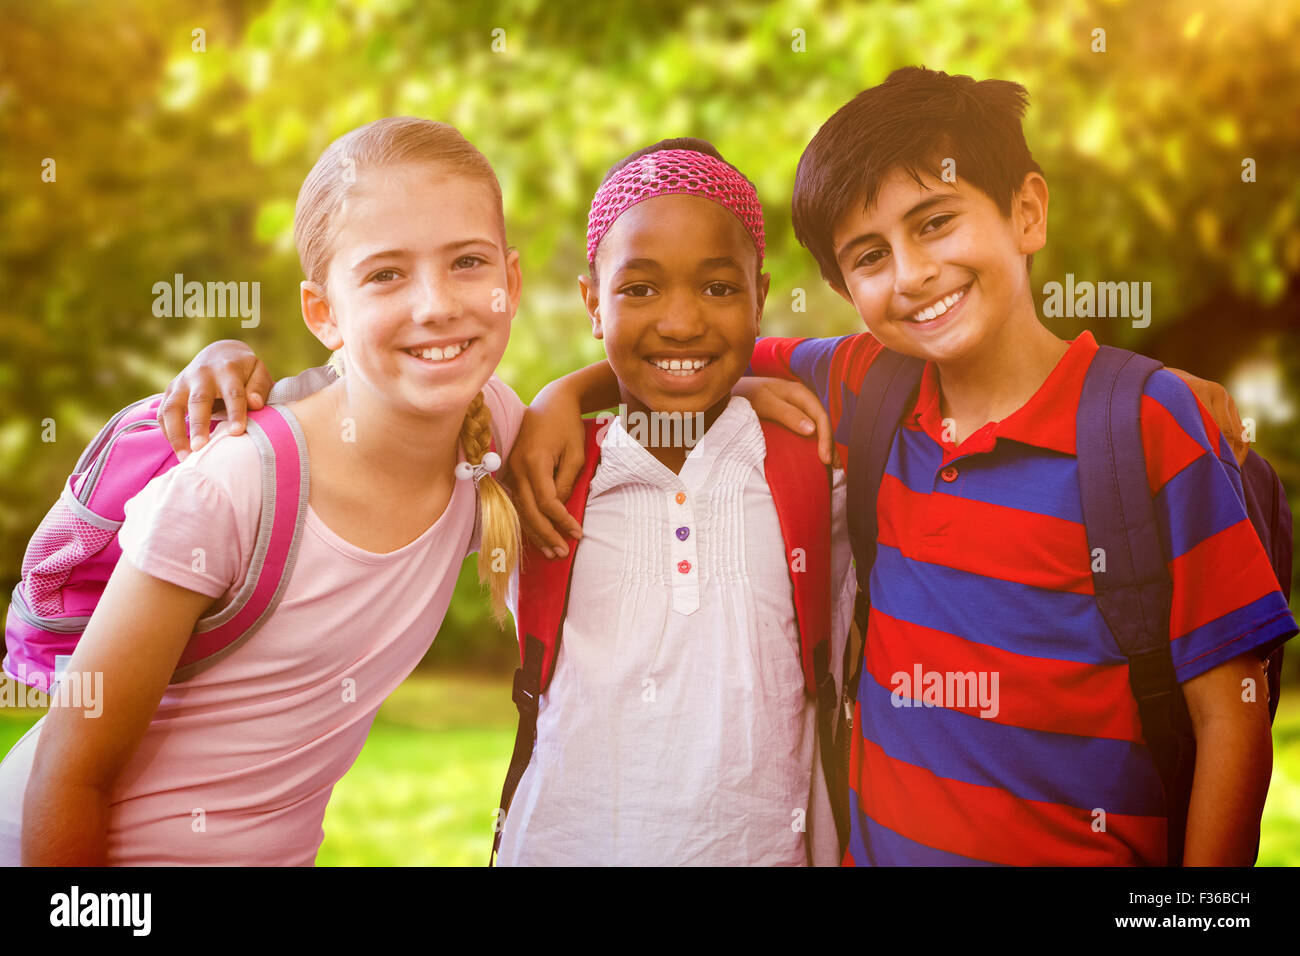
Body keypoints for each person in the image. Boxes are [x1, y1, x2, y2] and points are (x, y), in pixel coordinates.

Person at [515, 68, 1295, 866]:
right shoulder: (870, 384)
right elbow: (687, 346)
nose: (913, 274)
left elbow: (1232, 713)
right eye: (869, 256)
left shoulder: (1144, 424)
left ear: (1026, 212)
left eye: (935, 223)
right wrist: (562, 394)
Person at [0, 116, 527, 865]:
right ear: (323, 313)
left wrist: (603, 383)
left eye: (467, 262)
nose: (436, 304)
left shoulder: (493, 430)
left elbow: (665, 379)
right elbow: (68, 768)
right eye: (385, 274)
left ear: (511, 281)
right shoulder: (233, 487)